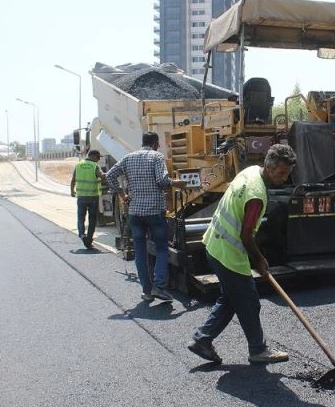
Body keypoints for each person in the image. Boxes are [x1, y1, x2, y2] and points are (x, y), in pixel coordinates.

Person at [187, 144, 297, 365]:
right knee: (248, 301)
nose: (285, 178)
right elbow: (246, 234)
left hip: (213, 243)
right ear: (269, 166)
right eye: (282, 173)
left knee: (231, 298)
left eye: (288, 173)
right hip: (228, 253)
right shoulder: (256, 196)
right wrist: (259, 259)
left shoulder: (250, 171)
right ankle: (258, 350)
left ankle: (203, 339)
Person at [104, 132, 187, 302]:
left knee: (140, 251)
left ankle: (147, 291)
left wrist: (121, 194)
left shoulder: (128, 158)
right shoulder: (156, 157)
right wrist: (178, 183)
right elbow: (162, 181)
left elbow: (110, 175)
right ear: (156, 143)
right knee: (162, 249)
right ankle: (159, 286)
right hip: (154, 212)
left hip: (135, 213)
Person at [70, 149, 105, 249]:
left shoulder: (78, 165)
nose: (98, 159)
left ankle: (82, 235)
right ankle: (89, 240)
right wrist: (106, 175)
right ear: (93, 156)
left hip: (81, 197)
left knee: (81, 218)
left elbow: (73, 180)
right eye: (98, 157)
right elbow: (101, 176)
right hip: (93, 197)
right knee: (92, 219)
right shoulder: (95, 166)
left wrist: (72, 191)